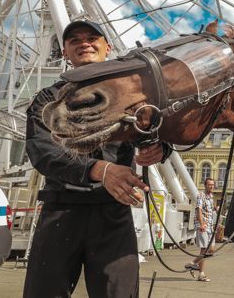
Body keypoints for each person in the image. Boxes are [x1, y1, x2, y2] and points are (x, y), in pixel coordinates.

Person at [23, 20, 170, 298]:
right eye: (75, 40)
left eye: (92, 38)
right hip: (61, 209)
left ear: (107, 47)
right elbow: (42, 151)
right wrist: (99, 170)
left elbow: (153, 132)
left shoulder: (129, 97)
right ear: (65, 52)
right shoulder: (47, 99)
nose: (84, 43)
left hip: (112, 212)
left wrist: (160, 149)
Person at [185, 178, 216, 282]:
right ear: (205, 186)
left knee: (210, 250)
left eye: (212, 185)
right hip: (203, 226)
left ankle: (193, 264)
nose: (211, 186)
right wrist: (202, 224)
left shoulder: (211, 197)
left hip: (210, 227)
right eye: (209, 185)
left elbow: (209, 211)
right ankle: (200, 273)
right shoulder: (201, 195)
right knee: (204, 249)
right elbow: (199, 209)